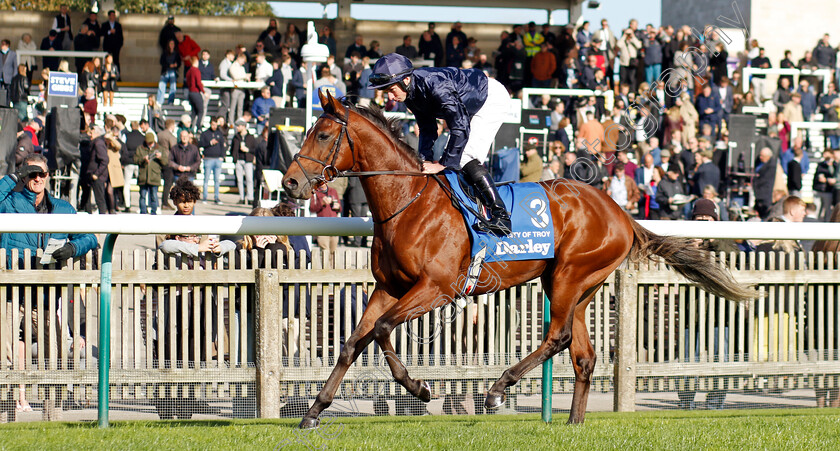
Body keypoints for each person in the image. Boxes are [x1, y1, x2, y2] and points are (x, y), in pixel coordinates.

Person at [369, 53, 511, 235]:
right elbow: (428, 129)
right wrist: (423, 161)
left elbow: (459, 125)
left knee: (464, 156)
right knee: (452, 156)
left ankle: (501, 217)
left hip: (490, 99)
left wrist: (441, 164)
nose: (391, 97)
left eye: (391, 90)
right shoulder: (411, 93)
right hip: (470, 102)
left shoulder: (435, 85)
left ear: (405, 80)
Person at [134, 132, 168, 214]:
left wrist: (160, 157)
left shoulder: (160, 148)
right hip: (143, 177)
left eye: (151, 143)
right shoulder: (140, 148)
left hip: (154, 176)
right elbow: (135, 160)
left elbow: (165, 162)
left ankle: (154, 212)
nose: (149, 144)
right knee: (142, 196)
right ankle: (143, 212)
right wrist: (143, 159)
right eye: (148, 143)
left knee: (154, 196)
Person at [79, 126, 110, 214]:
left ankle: (102, 216)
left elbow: (105, 160)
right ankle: (89, 214)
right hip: (91, 174)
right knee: (87, 197)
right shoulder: (94, 143)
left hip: (97, 176)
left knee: (99, 199)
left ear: (96, 133)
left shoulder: (98, 143)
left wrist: (97, 174)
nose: (89, 135)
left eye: (91, 133)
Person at [309, 185, 341, 267]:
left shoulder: (333, 191)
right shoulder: (315, 193)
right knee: (324, 250)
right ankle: (325, 271)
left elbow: (340, 208)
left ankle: (333, 271)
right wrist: (322, 203)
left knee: (333, 251)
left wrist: (337, 207)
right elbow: (312, 208)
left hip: (334, 225)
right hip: (322, 225)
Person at [199, 116, 226, 204]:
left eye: (215, 125)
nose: (214, 126)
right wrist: (210, 143)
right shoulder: (205, 133)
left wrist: (222, 156)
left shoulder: (219, 133)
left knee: (217, 180)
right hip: (208, 159)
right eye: (213, 124)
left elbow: (223, 145)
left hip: (218, 159)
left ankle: (216, 197)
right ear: (210, 124)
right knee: (206, 179)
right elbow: (200, 143)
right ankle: (205, 197)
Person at [231, 119, 256, 205]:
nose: (237, 127)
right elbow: (232, 148)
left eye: (239, 126)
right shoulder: (236, 137)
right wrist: (234, 157)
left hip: (248, 161)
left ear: (243, 126)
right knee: (240, 180)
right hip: (238, 160)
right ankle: (241, 197)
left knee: (249, 179)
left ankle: (250, 198)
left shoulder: (251, 137)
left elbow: (255, 149)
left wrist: (248, 150)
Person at [157, 119, 179, 210]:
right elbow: (174, 149)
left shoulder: (159, 134)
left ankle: (164, 202)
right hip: (168, 161)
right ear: (172, 125)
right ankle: (165, 202)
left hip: (160, 159)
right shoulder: (171, 136)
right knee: (168, 183)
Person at [185, 55, 207, 129]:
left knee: (194, 112)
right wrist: (203, 91)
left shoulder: (189, 71)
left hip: (190, 92)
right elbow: (198, 82)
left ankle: (190, 127)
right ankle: (199, 127)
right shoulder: (196, 70)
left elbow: (188, 81)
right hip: (196, 92)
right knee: (201, 111)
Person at [157, 39, 180, 105]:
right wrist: (169, 65)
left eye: (173, 44)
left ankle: (170, 101)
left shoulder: (176, 53)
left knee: (173, 87)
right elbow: (162, 62)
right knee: (162, 86)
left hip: (173, 71)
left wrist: (176, 65)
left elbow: (179, 62)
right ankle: (160, 101)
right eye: (170, 44)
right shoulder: (165, 53)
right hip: (166, 71)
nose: (172, 45)